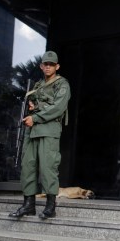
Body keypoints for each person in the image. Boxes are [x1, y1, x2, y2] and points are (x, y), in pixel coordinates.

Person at [9, 51, 71, 219]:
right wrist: (32, 106)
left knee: (48, 167)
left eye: (52, 64)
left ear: (57, 66)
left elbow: (58, 107)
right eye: (46, 64)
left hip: (49, 130)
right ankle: (28, 204)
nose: (48, 67)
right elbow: (36, 104)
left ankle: (51, 206)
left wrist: (35, 116)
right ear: (41, 66)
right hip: (32, 130)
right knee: (27, 166)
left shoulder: (62, 84)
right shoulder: (37, 85)